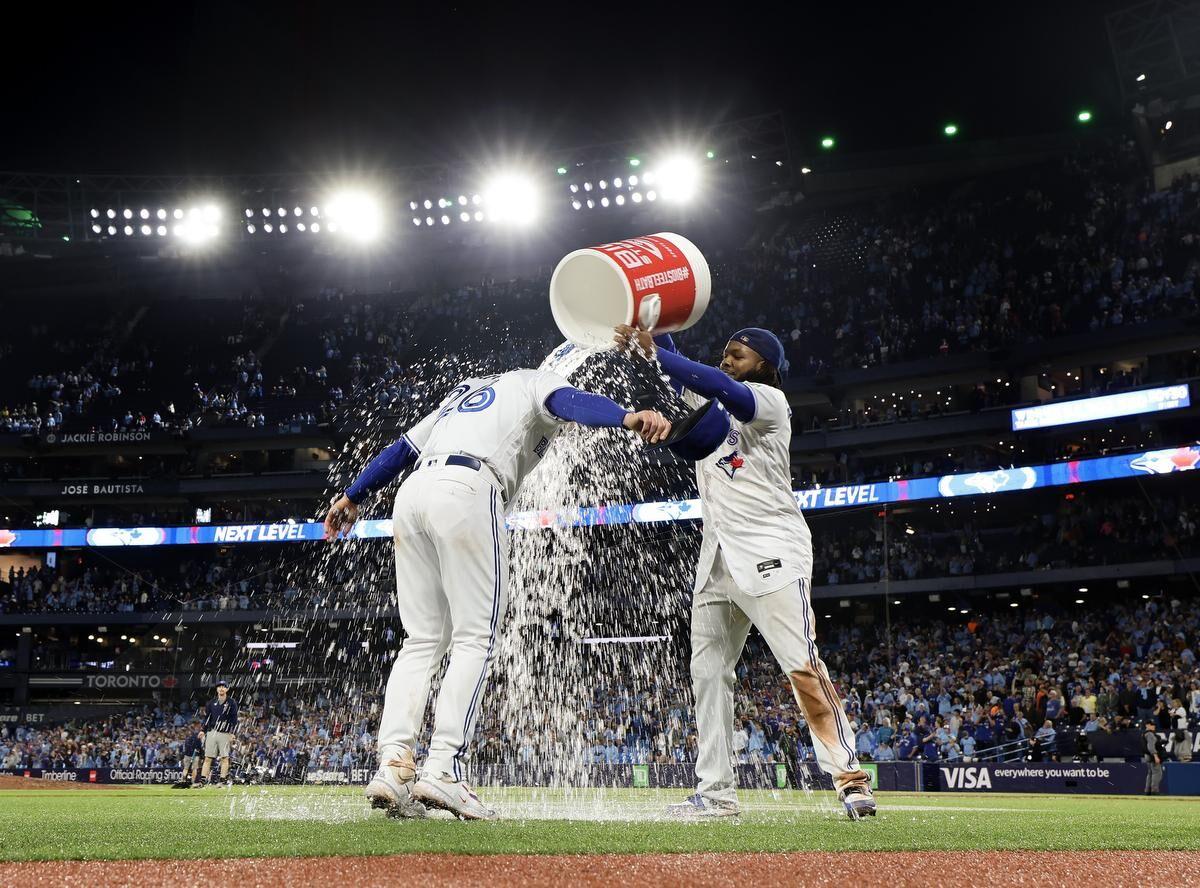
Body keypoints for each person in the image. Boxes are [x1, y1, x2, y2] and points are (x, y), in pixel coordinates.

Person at [325, 366, 670, 821]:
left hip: (411, 496)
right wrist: (626, 416)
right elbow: (565, 402)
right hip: (468, 486)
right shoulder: (535, 379)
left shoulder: (466, 391)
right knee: (475, 637)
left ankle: (393, 766)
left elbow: (401, 449)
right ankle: (444, 768)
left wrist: (352, 495)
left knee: (421, 640)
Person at [614, 323, 874, 819]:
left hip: (773, 550)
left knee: (801, 663)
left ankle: (850, 778)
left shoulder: (769, 403)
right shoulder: (712, 401)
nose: (727, 361)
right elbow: (683, 368)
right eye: (724, 353)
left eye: (738, 354)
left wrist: (662, 354)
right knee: (708, 675)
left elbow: (718, 384)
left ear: (763, 364)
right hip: (716, 559)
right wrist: (655, 326)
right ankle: (715, 794)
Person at [200, 680, 238, 786]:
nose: (221, 688)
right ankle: (203, 780)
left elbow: (234, 718)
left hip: (225, 733)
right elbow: (207, 718)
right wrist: (203, 730)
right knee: (208, 757)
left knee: (224, 758)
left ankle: (222, 780)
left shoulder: (231, 702)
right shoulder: (211, 703)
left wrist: (232, 732)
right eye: (219, 686)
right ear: (216, 689)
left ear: (227, 689)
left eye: (223, 686)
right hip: (212, 732)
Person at [1144, 721, 1164, 795]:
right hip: (1152, 756)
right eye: (1152, 725)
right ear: (1148, 725)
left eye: (1154, 725)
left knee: (1150, 773)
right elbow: (1151, 746)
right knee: (1157, 773)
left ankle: (1147, 791)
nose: (1154, 726)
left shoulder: (1144, 733)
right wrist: (1155, 756)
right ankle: (1154, 791)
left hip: (1147, 755)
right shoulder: (1150, 734)